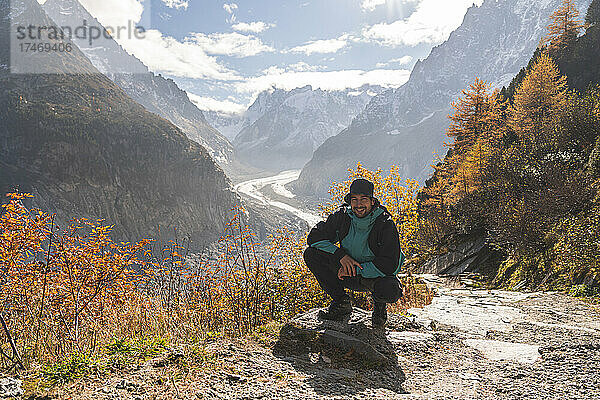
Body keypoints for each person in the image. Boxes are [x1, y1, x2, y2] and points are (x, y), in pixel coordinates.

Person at [303, 178, 405, 328]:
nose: (358, 205)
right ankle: (341, 302)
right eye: (354, 199)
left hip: (372, 277)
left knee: (390, 290)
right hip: (345, 272)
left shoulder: (384, 224)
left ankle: (380, 306)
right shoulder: (343, 216)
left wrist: (354, 269)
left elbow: (390, 264)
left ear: (372, 201)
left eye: (364, 199)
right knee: (311, 254)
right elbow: (314, 238)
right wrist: (340, 256)